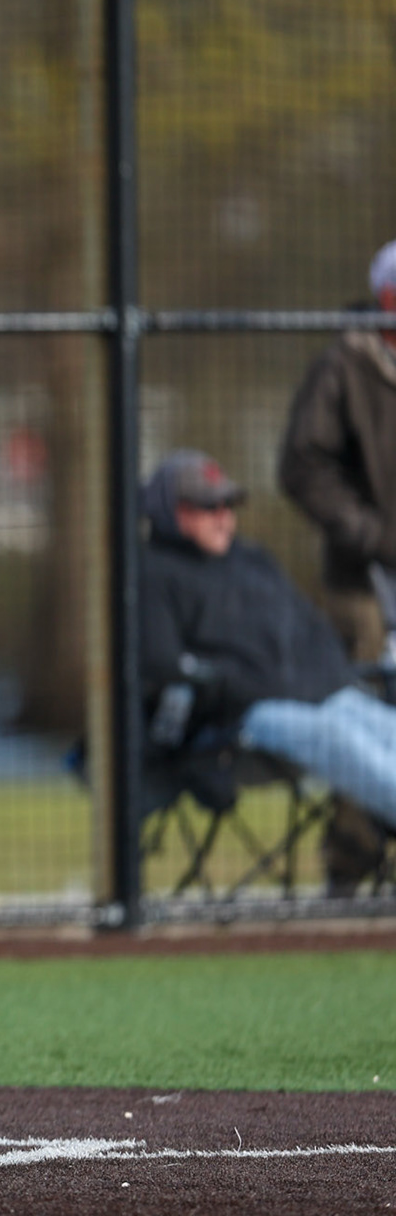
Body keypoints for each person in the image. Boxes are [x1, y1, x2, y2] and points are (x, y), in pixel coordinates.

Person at [142, 450, 396, 840]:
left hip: (320, 696)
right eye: (208, 507)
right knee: (336, 737)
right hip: (244, 720)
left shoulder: (252, 559)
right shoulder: (154, 574)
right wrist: (234, 685)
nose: (224, 517)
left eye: (227, 505)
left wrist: (332, 679)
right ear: (170, 512)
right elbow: (164, 665)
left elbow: (314, 628)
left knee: (382, 725)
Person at [278, 239, 396, 891]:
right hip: (366, 580)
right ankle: (352, 861)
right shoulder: (344, 365)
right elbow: (302, 465)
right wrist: (371, 533)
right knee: (364, 704)